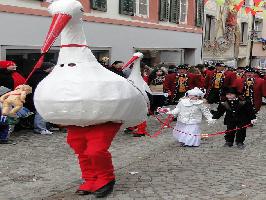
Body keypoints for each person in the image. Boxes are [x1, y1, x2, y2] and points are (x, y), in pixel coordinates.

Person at [27, 62, 55, 134]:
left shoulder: (40, 75)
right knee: (40, 112)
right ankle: (40, 128)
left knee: (44, 112)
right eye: (52, 68)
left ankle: (45, 127)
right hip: (40, 96)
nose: (53, 69)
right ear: (47, 68)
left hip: (42, 96)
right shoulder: (40, 76)